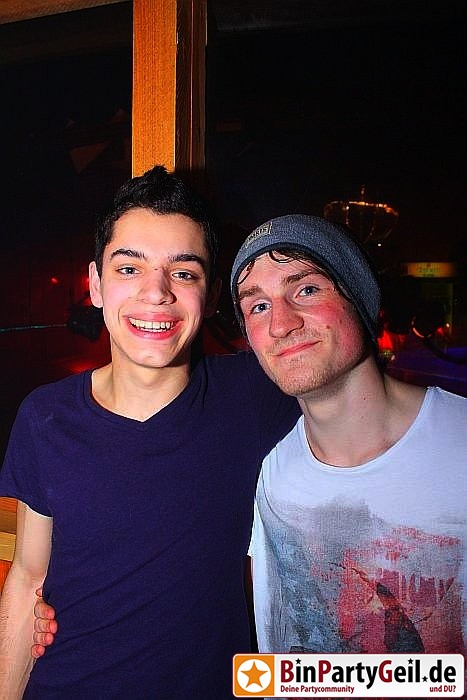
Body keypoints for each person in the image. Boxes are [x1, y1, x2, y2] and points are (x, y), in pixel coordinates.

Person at [0, 168, 299, 699]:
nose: (156, 292)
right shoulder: (46, 417)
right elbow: (28, 578)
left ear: (211, 295)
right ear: (95, 285)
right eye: (129, 268)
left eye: (182, 272)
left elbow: (356, 393)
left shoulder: (255, 393)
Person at [228, 214, 467, 657]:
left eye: (306, 289)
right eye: (258, 306)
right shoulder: (268, 474)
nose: (281, 324)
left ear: (359, 298)